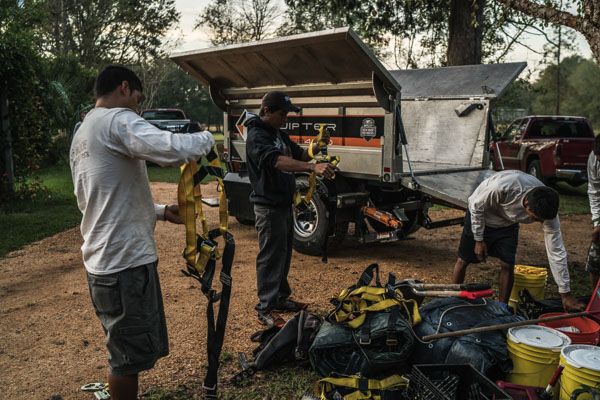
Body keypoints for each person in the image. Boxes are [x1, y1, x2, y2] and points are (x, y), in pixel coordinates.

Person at [70, 65, 215, 400]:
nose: (138, 107)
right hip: (124, 265)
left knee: (125, 352)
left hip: (103, 262)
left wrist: (161, 212)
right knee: (125, 361)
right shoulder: (116, 119)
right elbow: (170, 149)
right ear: (124, 88)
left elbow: (101, 197)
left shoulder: (83, 132)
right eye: (138, 99)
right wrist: (206, 138)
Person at [245, 91, 337, 328]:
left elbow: (299, 154)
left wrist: (317, 145)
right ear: (267, 111)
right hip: (268, 207)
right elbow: (277, 161)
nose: (285, 118)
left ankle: (280, 299)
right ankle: (264, 309)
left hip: (284, 204)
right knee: (270, 257)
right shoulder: (257, 135)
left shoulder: (278, 134)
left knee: (283, 254)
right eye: (282, 114)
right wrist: (312, 168)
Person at [451, 170, 585, 312]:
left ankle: (502, 308)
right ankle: (452, 301)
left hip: (508, 224)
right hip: (481, 216)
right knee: (463, 260)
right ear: (526, 203)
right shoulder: (501, 187)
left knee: (508, 265)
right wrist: (478, 239)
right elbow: (476, 206)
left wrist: (565, 293)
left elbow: (556, 250)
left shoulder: (547, 206)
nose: (538, 222)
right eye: (535, 218)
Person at [586, 135, 600, 290]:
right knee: (595, 260)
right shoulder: (594, 159)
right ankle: (596, 302)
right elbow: (595, 191)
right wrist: (597, 223)